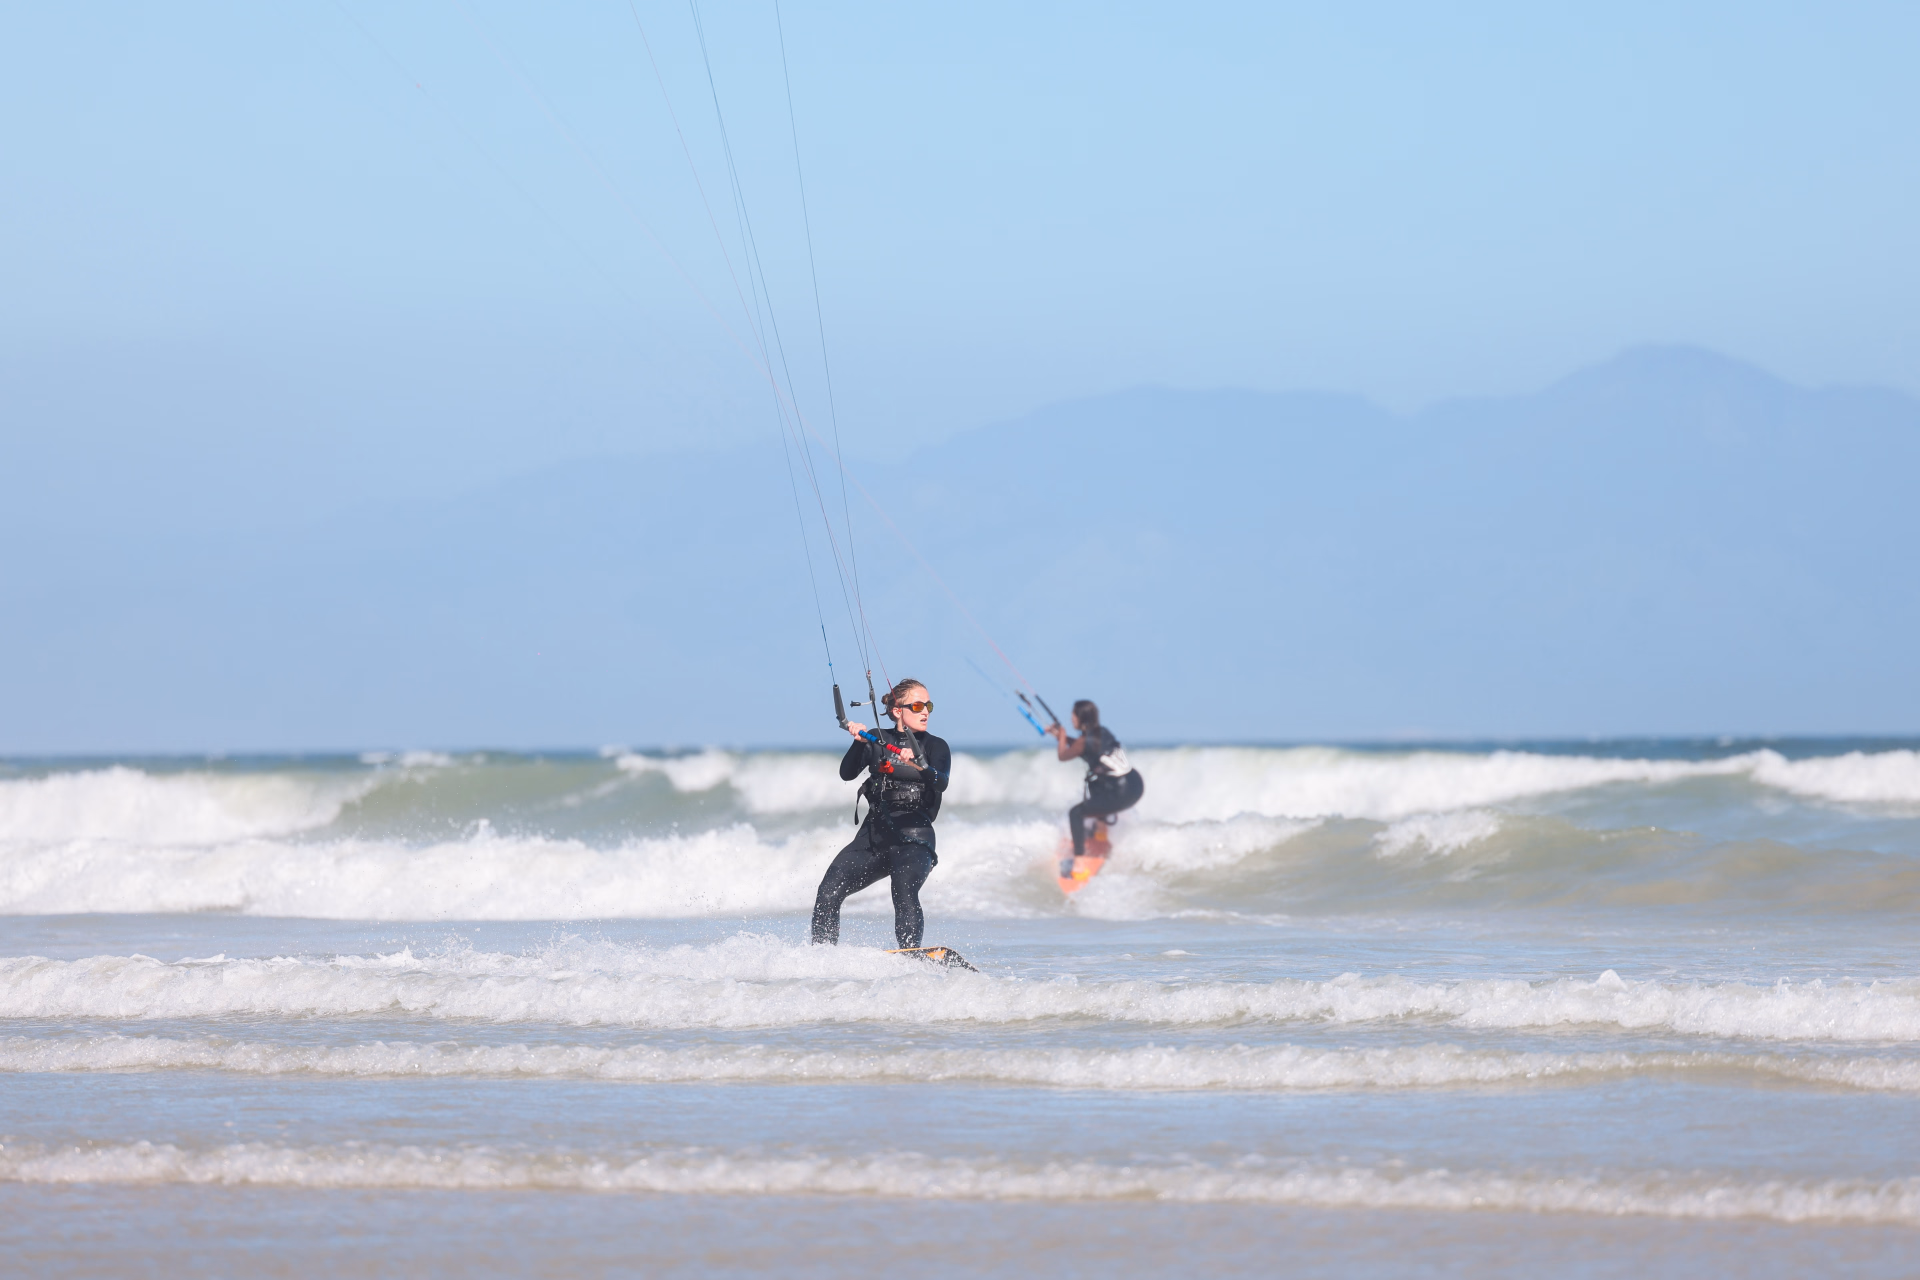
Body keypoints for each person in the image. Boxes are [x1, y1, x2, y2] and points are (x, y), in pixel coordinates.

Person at [810, 678, 952, 949]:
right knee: (827, 892)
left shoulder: (935, 746)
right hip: (873, 838)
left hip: (915, 838)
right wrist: (858, 741)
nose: (926, 712)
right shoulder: (877, 738)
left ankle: (911, 954)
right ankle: (821, 958)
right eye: (919, 705)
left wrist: (920, 766)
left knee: (903, 891)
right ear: (898, 710)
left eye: (929, 706)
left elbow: (941, 781)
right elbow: (846, 774)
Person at [1047, 699, 1145, 877]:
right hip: (1136, 786)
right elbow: (1081, 747)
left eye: (1073, 715)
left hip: (1120, 795)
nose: (1071, 718)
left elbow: (1063, 755)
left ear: (1080, 717)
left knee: (1075, 813)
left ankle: (1079, 861)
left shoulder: (1083, 742)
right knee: (1098, 785)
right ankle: (1101, 833)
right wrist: (1062, 737)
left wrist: (1061, 738)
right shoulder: (1103, 732)